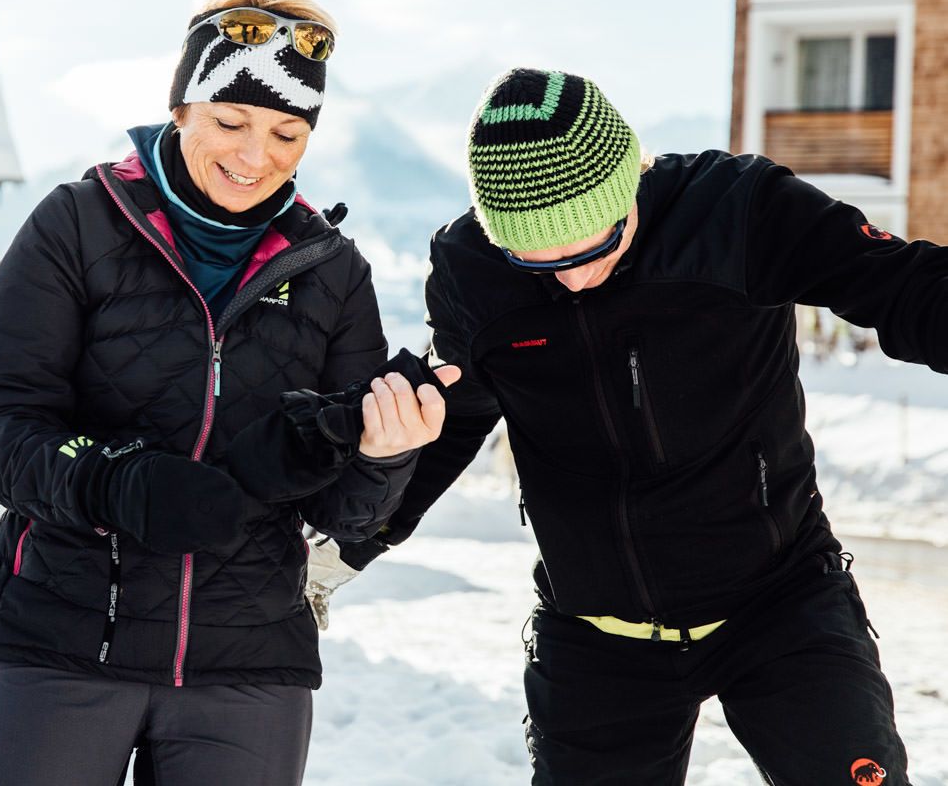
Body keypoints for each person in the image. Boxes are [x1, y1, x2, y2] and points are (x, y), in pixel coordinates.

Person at [308, 67, 946, 785]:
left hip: (781, 604)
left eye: (591, 247)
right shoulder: (472, 272)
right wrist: (352, 543)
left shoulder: (737, 213)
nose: (572, 278)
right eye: (537, 261)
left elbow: (902, 284)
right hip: (597, 638)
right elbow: (450, 421)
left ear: (626, 185)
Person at [0, 0, 458, 786]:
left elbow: (345, 513)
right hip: (60, 642)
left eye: (286, 133)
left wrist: (384, 453)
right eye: (229, 122)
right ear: (182, 107)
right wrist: (114, 481)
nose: (255, 157)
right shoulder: (77, 225)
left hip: (248, 668)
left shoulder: (332, 272)